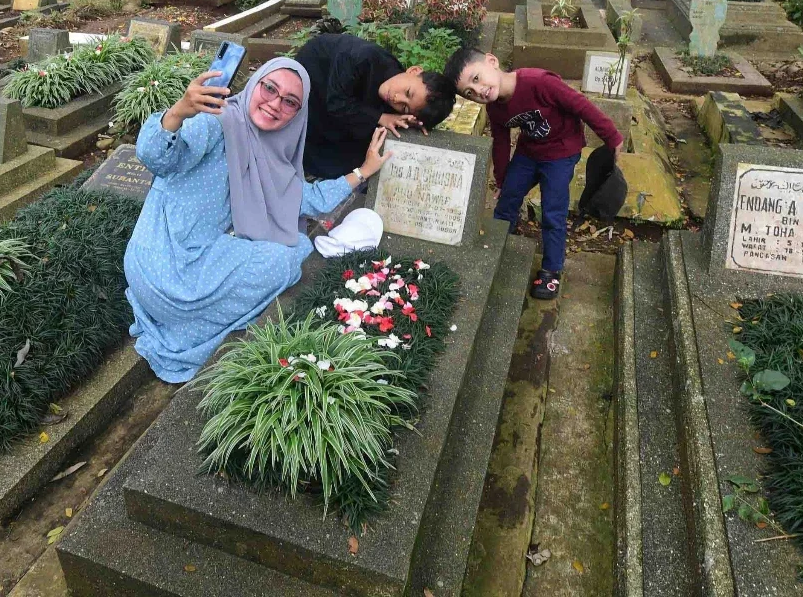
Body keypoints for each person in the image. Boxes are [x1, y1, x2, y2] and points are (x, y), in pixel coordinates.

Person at [124, 57, 394, 383]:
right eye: (270, 88)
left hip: (166, 264)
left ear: (298, 114)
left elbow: (302, 199)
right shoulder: (216, 121)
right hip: (167, 270)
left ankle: (182, 316)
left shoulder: (267, 149)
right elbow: (156, 158)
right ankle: (187, 332)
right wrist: (180, 111)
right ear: (256, 83)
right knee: (288, 258)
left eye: (290, 101)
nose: (275, 104)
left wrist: (363, 171)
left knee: (286, 246)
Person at [444, 48, 623, 300]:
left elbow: (582, 106)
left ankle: (552, 269)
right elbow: (501, 141)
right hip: (529, 154)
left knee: (552, 212)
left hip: (561, 154)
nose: (479, 92)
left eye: (476, 79)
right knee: (506, 201)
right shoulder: (496, 107)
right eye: (469, 93)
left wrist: (612, 137)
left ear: (492, 61)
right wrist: (502, 179)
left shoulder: (539, 82)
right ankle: (498, 244)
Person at [296, 32, 455, 179]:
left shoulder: (395, 88)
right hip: (311, 88)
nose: (396, 98)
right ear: (413, 71)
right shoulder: (360, 56)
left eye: (405, 108)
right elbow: (337, 103)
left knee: (371, 147)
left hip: (337, 111)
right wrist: (381, 117)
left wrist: (411, 124)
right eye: (407, 92)